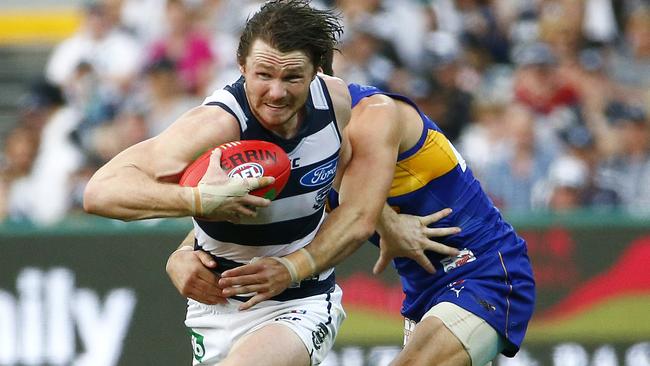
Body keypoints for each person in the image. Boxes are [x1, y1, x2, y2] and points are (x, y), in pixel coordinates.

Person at [84, 1, 356, 365]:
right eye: (263, 75)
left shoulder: (336, 103)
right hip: (215, 308)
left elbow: (348, 189)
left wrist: (385, 219)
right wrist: (196, 205)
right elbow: (101, 190)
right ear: (241, 66)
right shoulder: (218, 125)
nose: (276, 92)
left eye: (291, 77)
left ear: (316, 72)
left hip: (301, 302)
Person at [196, 79, 537, 365]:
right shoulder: (295, 141)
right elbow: (246, 215)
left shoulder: (375, 114)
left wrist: (291, 269)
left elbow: (359, 213)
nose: (276, 97)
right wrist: (184, 252)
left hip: (485, 272)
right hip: (423, 291)